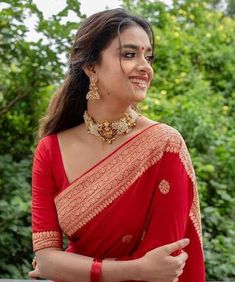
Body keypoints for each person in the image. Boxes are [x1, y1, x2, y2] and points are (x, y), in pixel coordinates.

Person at [29, 8, 205, 282]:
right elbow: (46, 259)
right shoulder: (50, 149)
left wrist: (73, 266)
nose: (145, 67)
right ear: (91, 66)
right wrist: (133, 269)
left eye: (148, 56)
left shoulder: (164, 145)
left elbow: (162, 267)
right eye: (129, 54)